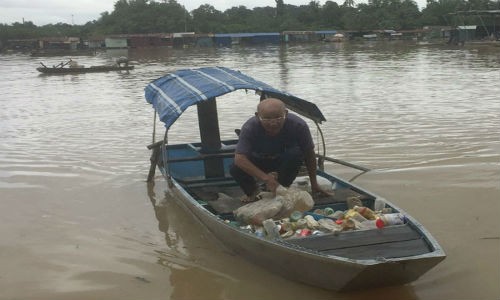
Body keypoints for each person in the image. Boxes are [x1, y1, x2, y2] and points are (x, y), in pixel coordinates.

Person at [230, 98, 332, 202]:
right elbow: (239, 159)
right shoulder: (250, 128)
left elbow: (309, 153)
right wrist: (266, 178)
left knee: (296, 154)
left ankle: (281, 189)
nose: (273, 123)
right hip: (259, 160)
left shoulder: (298, 125)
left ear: (286, 114)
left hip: (283, 161)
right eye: (267, 119)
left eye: (278, 118)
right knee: (235, 166)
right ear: (257, 116)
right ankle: (253, 193)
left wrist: (314, 184)